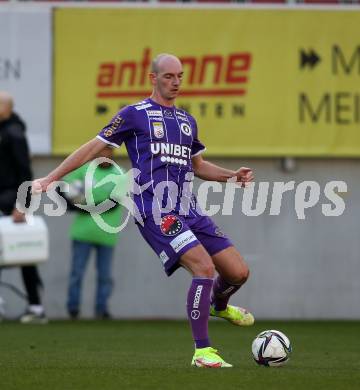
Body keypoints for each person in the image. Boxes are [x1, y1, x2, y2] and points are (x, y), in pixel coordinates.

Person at [32, 54, 254, 366]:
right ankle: (203, 351)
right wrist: (51, 177)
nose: (175, 82)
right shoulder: (135, 115)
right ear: (153, 78)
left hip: (188, 208)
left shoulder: (187, 122)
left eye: (180, 76)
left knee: (238, 272)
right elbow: (92, 147)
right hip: (154, 209)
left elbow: (199, 166)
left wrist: (233, 176)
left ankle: (219, 305)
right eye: (168, 76)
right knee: (204, 268)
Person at [0, 91, 47, 324]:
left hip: (11, 201)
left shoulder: (14, 133)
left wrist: (23, 205)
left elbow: (25, 173)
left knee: (25, 253)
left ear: (7, 108)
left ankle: (36, 306)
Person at [62, 147, 124, 319]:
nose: (104, 155)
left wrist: (84, 207)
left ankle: (101, 309)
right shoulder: (85, 169)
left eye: (108, 152)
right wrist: (72, 202)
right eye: (101, 152)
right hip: (82, 232)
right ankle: (73, 309)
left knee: (104, 275)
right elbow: (65, 187)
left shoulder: (120, 174)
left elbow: (114, 203)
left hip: (107, 233)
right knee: (77, 273)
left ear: (113, 154)